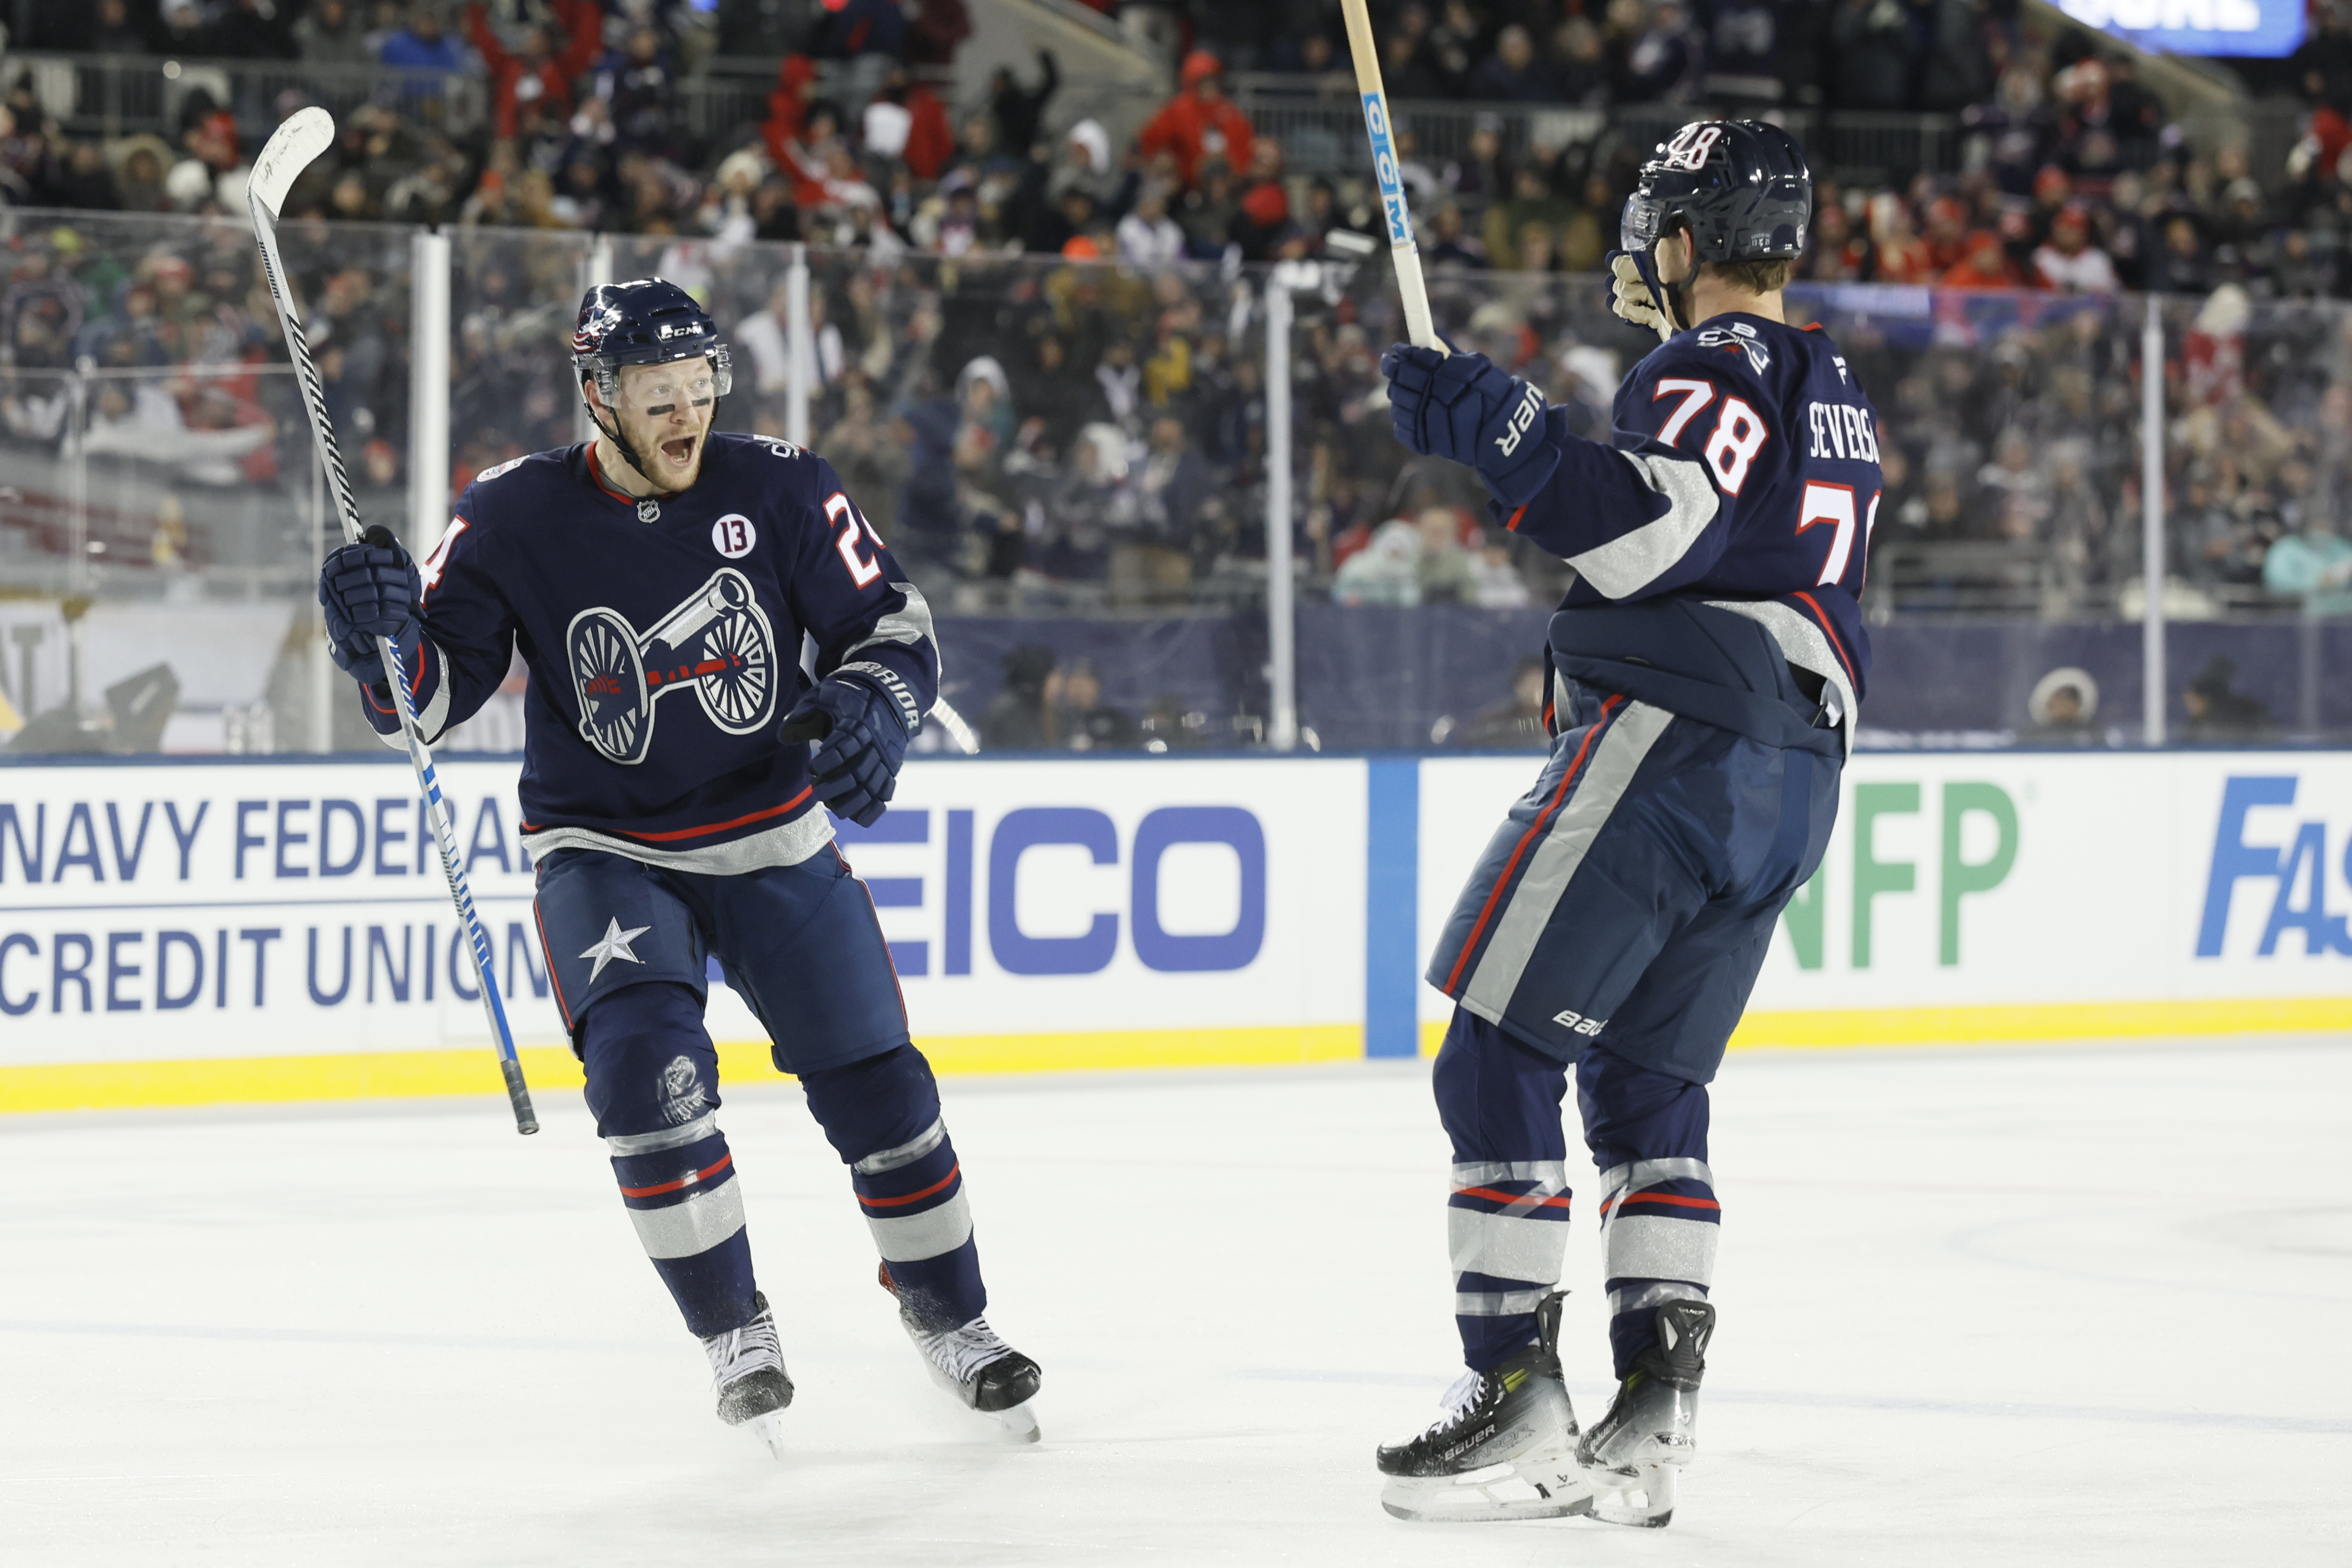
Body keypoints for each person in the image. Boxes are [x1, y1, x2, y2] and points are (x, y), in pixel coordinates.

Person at [312, 280, 1043, 1453]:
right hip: (605, 848)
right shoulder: (509, 515)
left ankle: (952, 1319)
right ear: (599, 397)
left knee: (882, 1089)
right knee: (648, 1076)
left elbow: (895, 630)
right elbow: (426, 704)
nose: (685, 413)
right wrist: (380, 639)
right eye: (658, 396)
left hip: (771, 831)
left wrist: (872, 709)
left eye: (699, 389)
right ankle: (734, 1330)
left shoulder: (785, 484)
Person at [1373, 121, 1870, 1529]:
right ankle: (1653, 1416)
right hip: (1795, 775)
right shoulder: (1830, 379)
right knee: (1652, 1097)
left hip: (1680, 746)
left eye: (1660, 220)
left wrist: (1505, 430)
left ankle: (1517, 1397)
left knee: (1495, 1053)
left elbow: (1657, 527)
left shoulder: (1716, 361)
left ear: (1692, 237)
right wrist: (1508, 436)